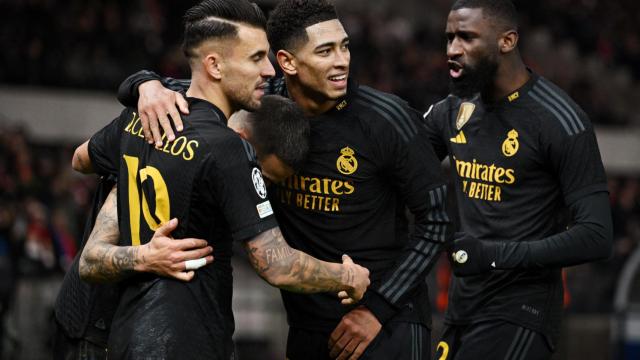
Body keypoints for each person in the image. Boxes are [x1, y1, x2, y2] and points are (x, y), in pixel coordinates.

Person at [117, 1, 450, 359]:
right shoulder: (257, 99)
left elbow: (437, 220)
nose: (342, 61)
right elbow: (190, 86)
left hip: (387, 323)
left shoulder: (388, 119)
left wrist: (377, 309)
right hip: (307, 324)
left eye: (345, 46)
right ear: (287, 62)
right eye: (325, 51)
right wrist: (145, 86)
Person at [70, 1, 369, 359]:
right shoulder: (229, 148)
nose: (269, 71)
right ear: (215, 65)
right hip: (186, 340)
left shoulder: (138, 121)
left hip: (125, 339)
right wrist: (347, 276)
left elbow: (81, 165)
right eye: (256, 58)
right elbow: (278, 264)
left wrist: (143, 255)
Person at [421, 0, 613, 359]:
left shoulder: (560, 120)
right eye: (449, 39)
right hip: (463, 309)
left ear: (506, 41)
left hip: (522, 312)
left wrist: (493, 256)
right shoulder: (453, 110)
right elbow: (394, 166)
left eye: (466, 37)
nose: (452, 50)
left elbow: (597, 236)